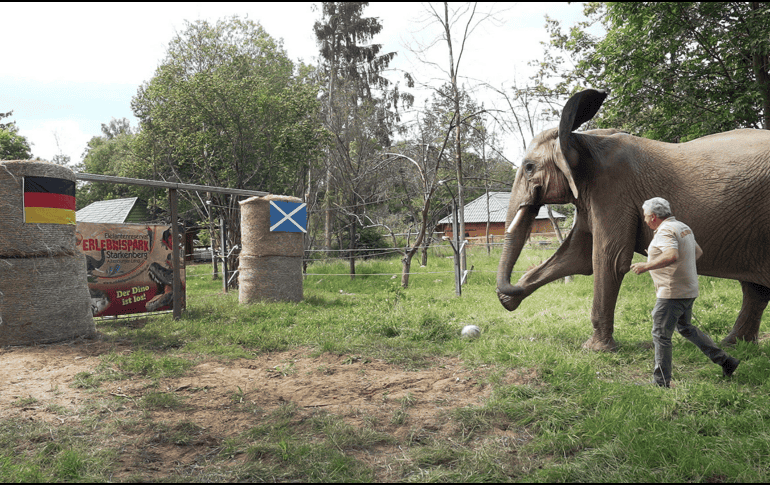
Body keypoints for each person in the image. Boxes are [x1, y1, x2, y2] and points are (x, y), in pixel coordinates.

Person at [630, 197, 740, 387]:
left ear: (653, 216)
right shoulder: (682, 227)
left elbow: (672, 255)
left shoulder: (665, 230)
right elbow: (697, 252)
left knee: (661, 334)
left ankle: (661, 381)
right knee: (685, 327)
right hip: (688, 289)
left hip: (672, 292)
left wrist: (646, 265)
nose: (645, 219)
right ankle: (726, 361)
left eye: (646, 216)